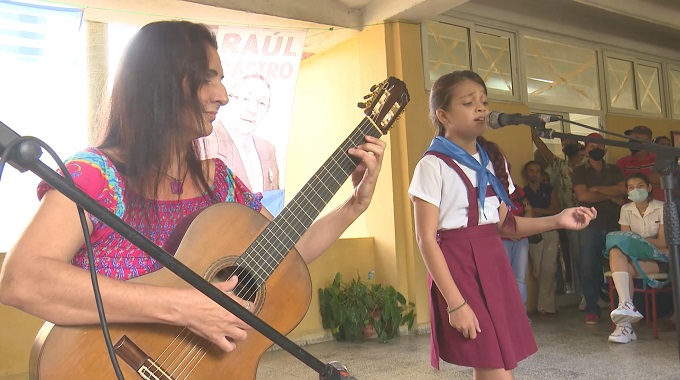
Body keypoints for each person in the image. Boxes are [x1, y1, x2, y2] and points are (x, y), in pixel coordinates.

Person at [0, 21, 385, 355]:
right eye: (207, 79)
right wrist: (183, 307)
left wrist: (353, 206)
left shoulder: (220, 182)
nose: (223, 95)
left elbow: (287, 253)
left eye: (221, 80)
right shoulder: (96, 176)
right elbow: (22, 280)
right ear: (159, 86)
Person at [408, 70, 596, 379]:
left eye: (483, 101)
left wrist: (558, 220)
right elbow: (425, 239)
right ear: (443, 114)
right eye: (469, 103)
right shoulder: (432, 165)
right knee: (494, 363)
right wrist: (455, 304)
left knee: (497, 362)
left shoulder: (493, 159)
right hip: (458, 268)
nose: (481, 108)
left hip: (492, 262)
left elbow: (507, 227)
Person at [603, 173, 668, 343]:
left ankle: (624, 326)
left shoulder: (662, 207)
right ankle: (626, 309)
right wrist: (634, 242)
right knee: (616, 251)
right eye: (631, 187)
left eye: (640, 186)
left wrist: (637, 240)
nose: (635, 190)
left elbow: (663, 242)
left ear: (649, 187)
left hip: (659, 259)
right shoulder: (626, 209)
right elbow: (625, 241)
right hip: (636, 257)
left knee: (622, 261)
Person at [572, 132, 626, 325]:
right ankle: (592, 308)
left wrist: (595, 190)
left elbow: (623, 190)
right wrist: (610, 195)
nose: (596, 149)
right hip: (589, 224)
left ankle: (621, 306)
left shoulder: (615, 169)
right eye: (592, 146)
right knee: (589, 265)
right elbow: (583, 196)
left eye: (600, 146)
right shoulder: (579, 171)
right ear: (586, 150)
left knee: (617, 265)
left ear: (605, 148)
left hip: (615, 223)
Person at [201, 72, 280, 193]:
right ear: (229, 99)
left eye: (262, 103)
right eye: (247, 99)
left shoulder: (268, 149)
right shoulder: (204, 143)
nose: (253, 109)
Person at [530, 128, 585, 296]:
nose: (567, 145)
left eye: (570, 142)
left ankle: (594, 294)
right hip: (568, 218)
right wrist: (532, 129)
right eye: (564, 143)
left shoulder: (587, 165)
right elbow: (544, 150)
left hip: (589, 216)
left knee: (589, 257)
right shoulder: (560, 165)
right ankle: (579, 292)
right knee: (573, 256)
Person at [522, 160, 560, 317]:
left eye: (537, 170)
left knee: (549, 268)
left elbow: (555, 209)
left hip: (550, 230)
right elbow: (526, 213)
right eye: (531, 170)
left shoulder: (548, 189)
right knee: (538, 270)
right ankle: (541, 304)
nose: (534, 173)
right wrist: (544, 212)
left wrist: (535, 210)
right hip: (533, 232)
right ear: (526, 174)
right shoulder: (522, 192)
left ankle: (546, 307)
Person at [501, 185, 532, 306]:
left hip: (521, 238)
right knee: (503, 278)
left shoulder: (517, 191)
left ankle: (521, 315)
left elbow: (528, 210)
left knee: (520, 278)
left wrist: (521, 230)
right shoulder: (492, 187)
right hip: (502, 239)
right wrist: (507, 233)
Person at [616, 125, 663, 201]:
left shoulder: (659, 159)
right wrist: (650, 181)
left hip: (658, 207)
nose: (632, 141)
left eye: (636, 139)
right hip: (631, 208)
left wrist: (633, 183)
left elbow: (666, 182)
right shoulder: (622, 162)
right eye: (631, 138)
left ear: (647, 142)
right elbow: (622, 188)